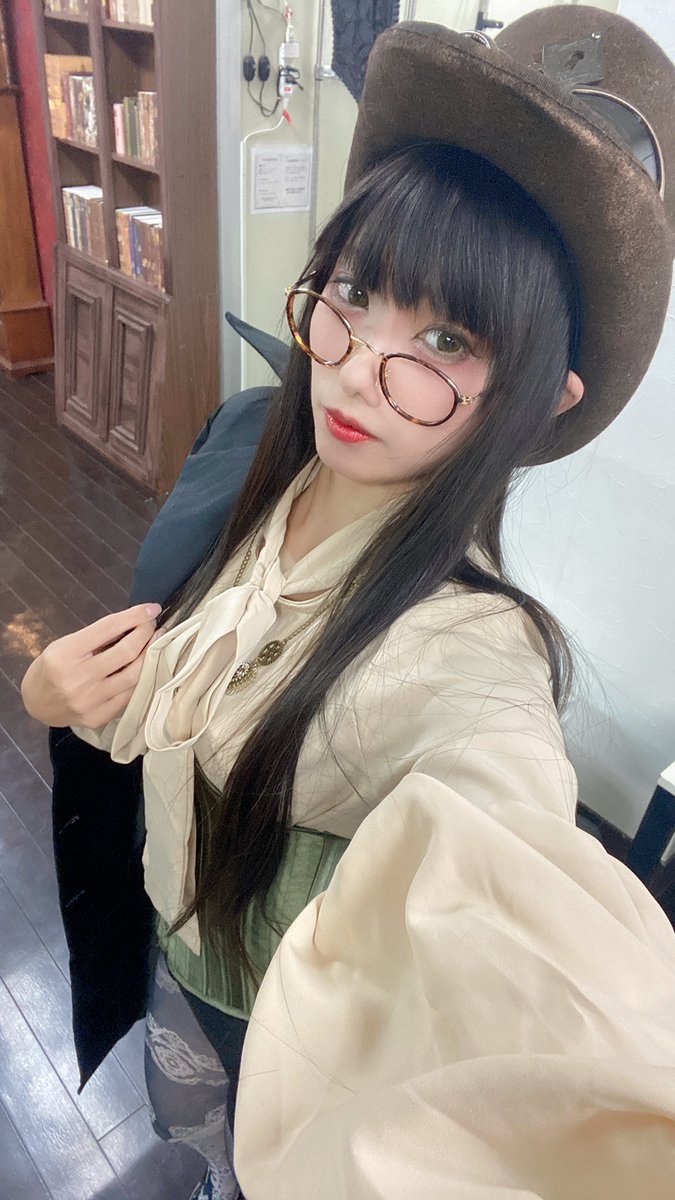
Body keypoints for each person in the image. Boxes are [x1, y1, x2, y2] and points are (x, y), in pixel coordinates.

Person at [21, 7, 675, 1199]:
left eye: (446, 337)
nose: (361, 367)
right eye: (358, 291)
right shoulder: (254, 445)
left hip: (277, 1035)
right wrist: (59, 696)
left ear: (540, 399)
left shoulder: (471, 658)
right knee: (190, 1145)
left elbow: (535, 955)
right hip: (174, 946)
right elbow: (191, 686)